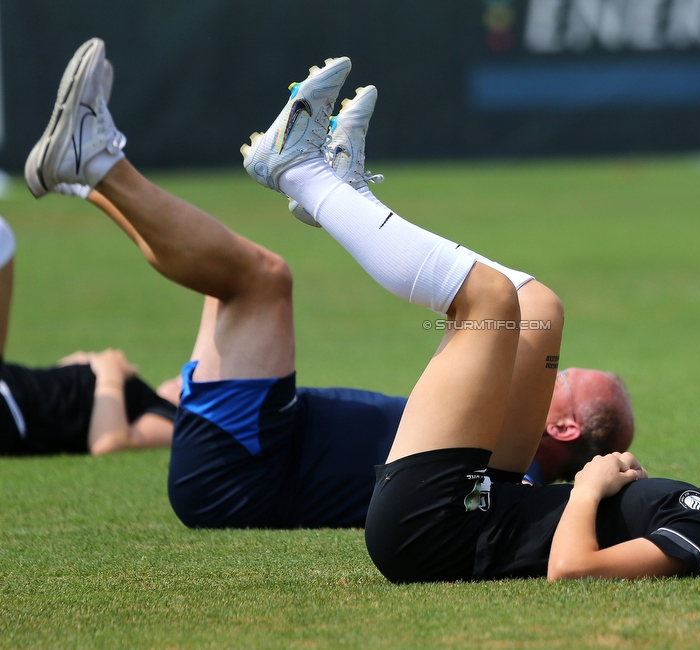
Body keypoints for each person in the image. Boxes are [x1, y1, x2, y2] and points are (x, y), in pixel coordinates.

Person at [223, 56, 700, 580]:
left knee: (489, 303)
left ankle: (302, 174)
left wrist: (593, 488)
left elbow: (572, 571)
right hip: (496, 498)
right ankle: (348, 197)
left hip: (435, 529)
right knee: (540, 309)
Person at [25, 39, 633, 530]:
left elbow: (482, 309)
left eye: (561, 377)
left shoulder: (511, 471)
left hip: (245, 467)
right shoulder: (491, 423)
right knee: (228, 275)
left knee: (257, 280)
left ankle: (106, 165)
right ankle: (91, 174)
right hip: (266, 436)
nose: (549, 365)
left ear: (562, 428)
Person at [0, 215, 177, 456]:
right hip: (14, 387)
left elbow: (109, 443)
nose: (186, 376)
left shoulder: (172, 416)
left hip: (14, 409)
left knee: (3, 237)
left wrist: (109, 372)